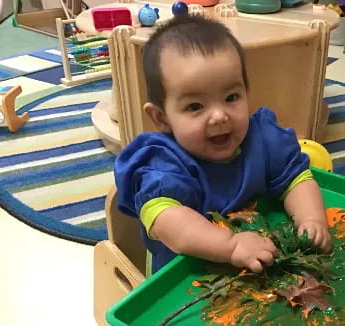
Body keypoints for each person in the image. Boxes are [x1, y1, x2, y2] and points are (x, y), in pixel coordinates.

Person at [114, 14, 332, 275]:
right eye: (195, 106)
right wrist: (230, 246)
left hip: (260, 262)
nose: (219, 116)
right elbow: (170, 224)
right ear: (162, 119)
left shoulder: (263, 139)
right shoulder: (162, 167)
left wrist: (311, 219)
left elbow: (297, 179)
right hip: (188, 279)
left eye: (231, 97)